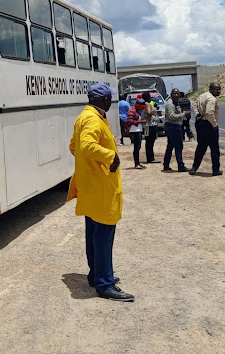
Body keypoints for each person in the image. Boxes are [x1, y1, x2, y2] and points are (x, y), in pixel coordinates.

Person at [67, 82, 134, 302]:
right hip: (100, 186)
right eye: (109, 99)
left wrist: (89, 167)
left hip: (91, 185)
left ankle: (96, 274)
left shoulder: (83, 117)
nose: (110, 101)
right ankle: (105, 284)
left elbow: (73, 147)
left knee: (94, 232)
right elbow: (85, 146)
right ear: (103, 100)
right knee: (104, 235)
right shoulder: (94, 119)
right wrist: (110, 157)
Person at [190, 82, 223, 176]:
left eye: (219, 89)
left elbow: (194, 104)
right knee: (214, 149)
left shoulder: (202, 96)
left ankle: (194, 167)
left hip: (200, 123)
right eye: (217, 89)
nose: (219, 91)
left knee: (201, 147)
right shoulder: (211, 99)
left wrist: (197, 114)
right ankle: (215, 170)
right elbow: (209, 112)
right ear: (211, 89)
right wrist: (214, 124)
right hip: (208, 125)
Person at [163, 88, 190, 172]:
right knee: (178, 146)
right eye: (174, 93)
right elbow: (171, 116)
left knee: (170, 146)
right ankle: (180, 166)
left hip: (175, 126)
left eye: (177, 93)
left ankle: (166, 165)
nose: (176, 95)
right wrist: (183, 114)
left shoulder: (176, 103)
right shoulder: (170, 104)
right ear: (171, 95)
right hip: (172, 126)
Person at [126, 99, 147, 169]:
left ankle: (138, 163)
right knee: (136, 148)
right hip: (133, 130)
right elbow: (130, 121)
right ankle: (136, 164)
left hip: (138, 130)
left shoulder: (138, 110)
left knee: (138, 147)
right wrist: (141, 122)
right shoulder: (132, 111)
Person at [140, 91, 160, 164]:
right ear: (148, 97)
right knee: (150, 141)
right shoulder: (147, 104)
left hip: (147, 126)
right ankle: (151, 158)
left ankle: (150, 157)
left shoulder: (143, 104)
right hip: (151, 125)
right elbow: (149, 112)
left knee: (148, 141)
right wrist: (150, 117)